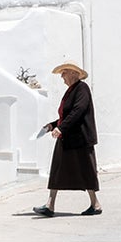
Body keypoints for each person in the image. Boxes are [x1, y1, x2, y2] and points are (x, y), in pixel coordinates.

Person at [33, 62, 102, 216]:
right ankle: (50, 205)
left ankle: (95, 204)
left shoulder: (82, 89)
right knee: (57, 169)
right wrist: (52, 125)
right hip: (68, 138)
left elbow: (78, 111)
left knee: (87, 171)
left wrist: (60, 128)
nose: (62, 77)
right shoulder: (70, 91)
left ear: (73, 73)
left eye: (64, 73)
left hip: (81, 138)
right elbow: (66, 116)